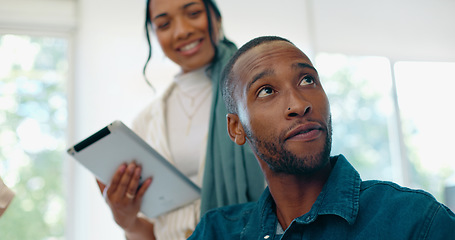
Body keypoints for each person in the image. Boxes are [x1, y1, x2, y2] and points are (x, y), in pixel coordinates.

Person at [189, 36, 455, 239]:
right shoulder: (216, 231)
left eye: (307, 80)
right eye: (267, 90)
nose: (298, 104)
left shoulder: (416, 221)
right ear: (236, 128)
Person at [95, 0, 264, 239]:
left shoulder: (257, 93)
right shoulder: (147, 122)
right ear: (154, 35)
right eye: (164, 24)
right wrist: (127, 220)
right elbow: (155, 233)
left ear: (217, 18)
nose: (182, 31)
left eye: (193, 13)